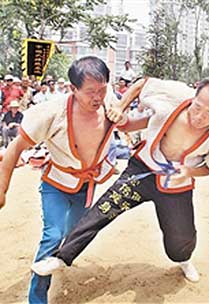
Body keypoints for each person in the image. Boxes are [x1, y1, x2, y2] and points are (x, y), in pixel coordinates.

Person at [31, 77, 209, 284]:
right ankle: (61, 257)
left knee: (181, 238)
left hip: (175, 184)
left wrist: (188, 171)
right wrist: (120, 106)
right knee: (103, 209)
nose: (199, 116)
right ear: (193, 96)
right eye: (197, 106)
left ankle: (183, 260)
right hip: (142, 170)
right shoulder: (174, 94)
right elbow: (142, 83)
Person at [0, 56, 122, 304]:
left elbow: (129, 124)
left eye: (102, 89)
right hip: (55, 185)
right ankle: (37, 297)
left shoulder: (108, 100)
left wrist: (122, 114)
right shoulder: (50, 113)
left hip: (86, 185)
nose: (97, 97)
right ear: (73, 89)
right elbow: (14, 148)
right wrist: (2, 188)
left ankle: (60, 259)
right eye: (90, 92)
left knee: (73, 234)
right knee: (53, 236)